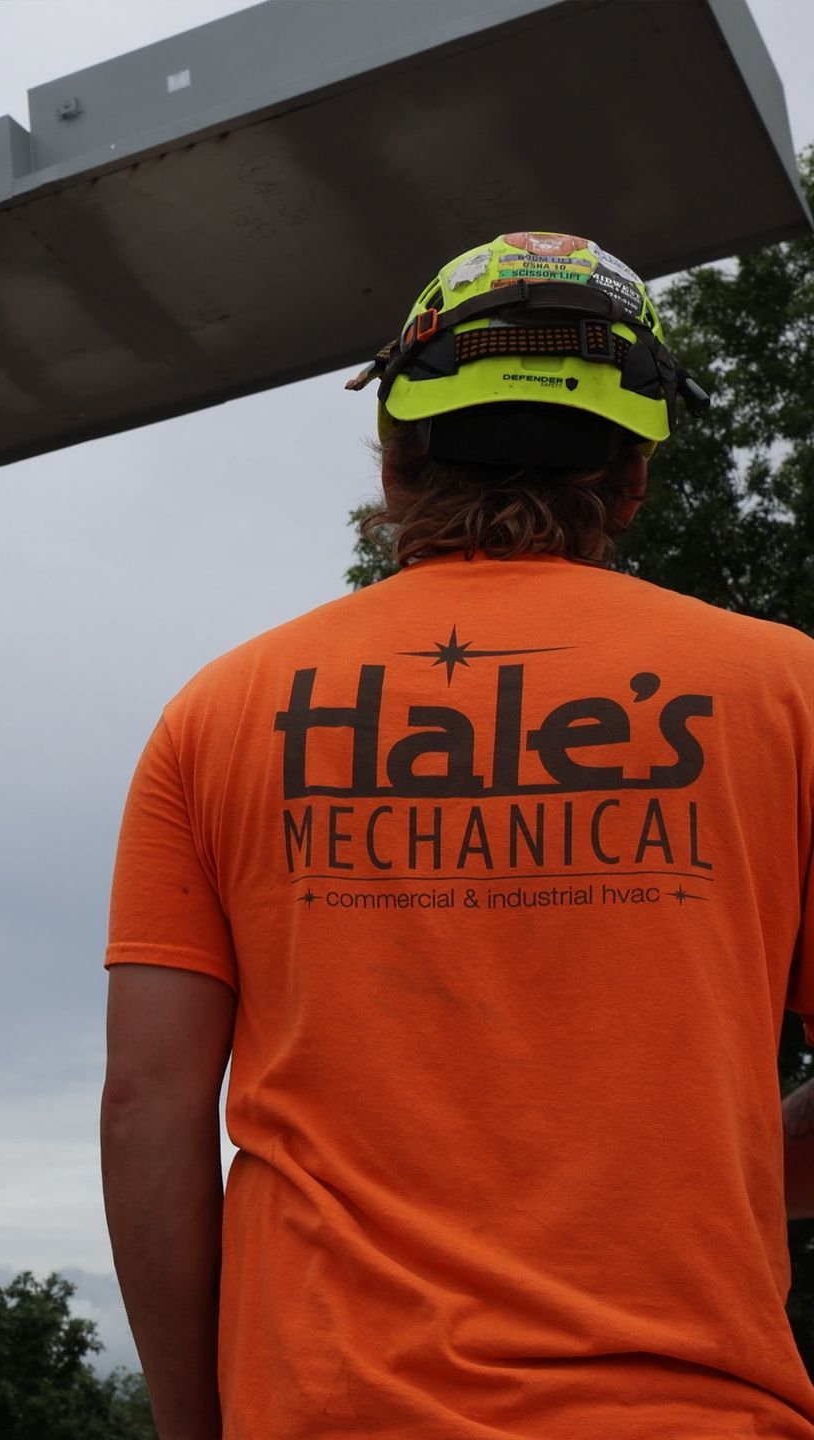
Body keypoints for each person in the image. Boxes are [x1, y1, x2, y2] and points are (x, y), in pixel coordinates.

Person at [100, 233, 814, 1438]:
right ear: (635, 475)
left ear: (397, 461)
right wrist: (722, 1162)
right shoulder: (788, 697)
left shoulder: (219, 716)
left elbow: (149, 1108)